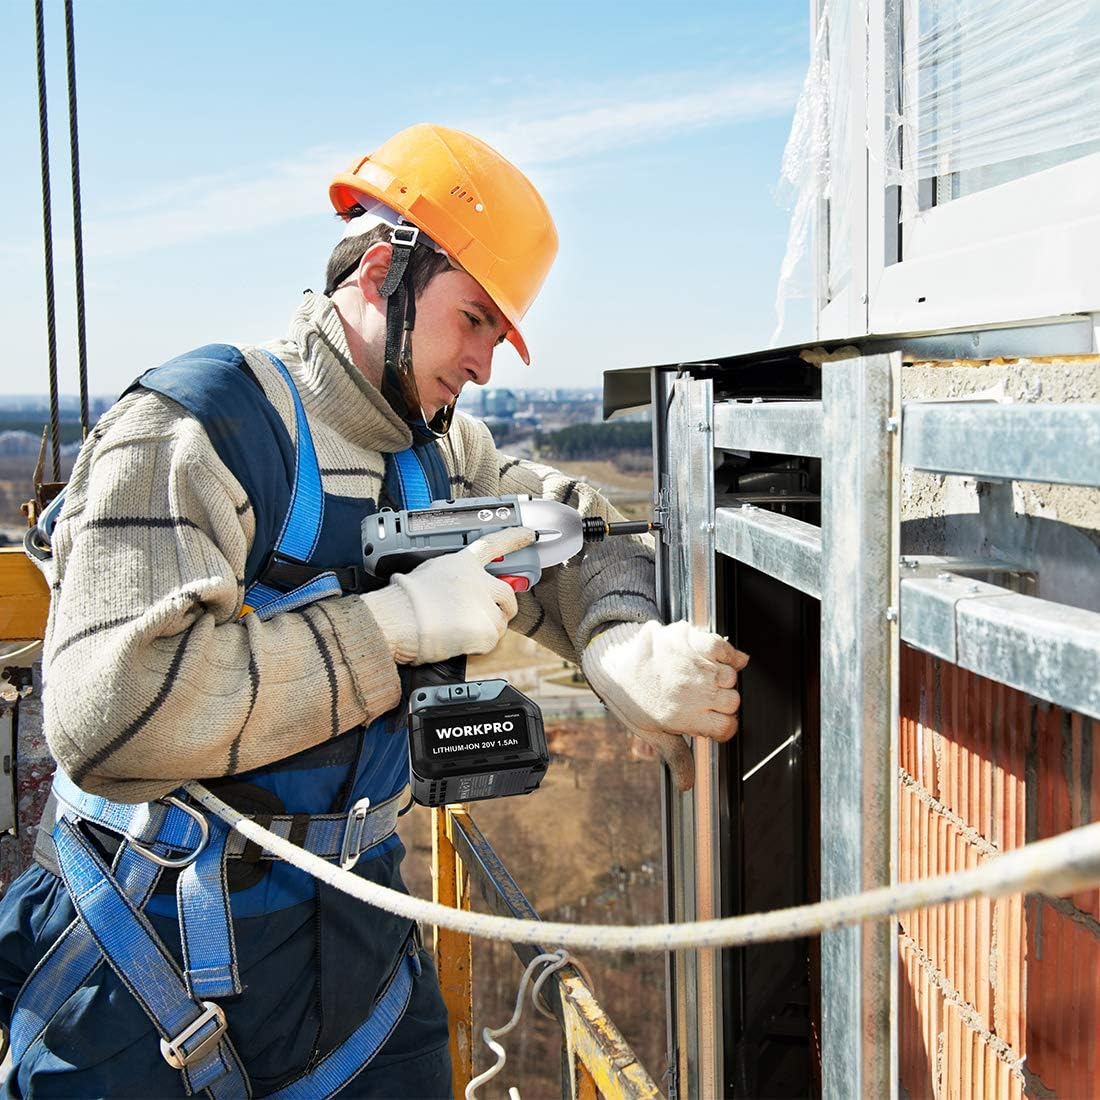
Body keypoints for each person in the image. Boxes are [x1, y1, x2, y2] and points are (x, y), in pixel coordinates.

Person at [0, 123, 748, 1098]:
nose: (484, 361)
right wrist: (389, 628)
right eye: (472, 318)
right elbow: (108, 721)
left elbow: (576, 534)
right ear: (386, 271)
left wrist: (616, 643)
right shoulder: (195, 429)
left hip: (355, 968)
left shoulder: (436, 454)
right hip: (141, 968)